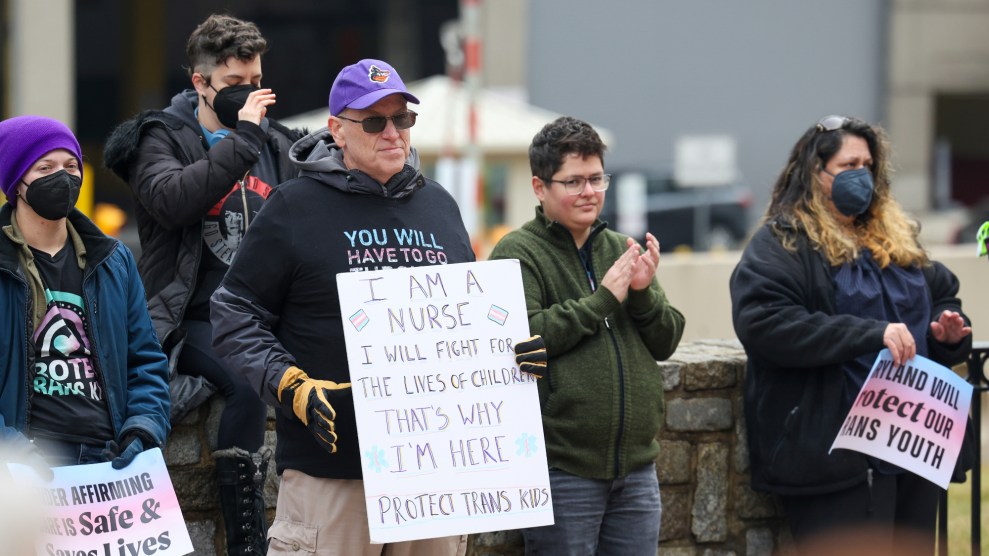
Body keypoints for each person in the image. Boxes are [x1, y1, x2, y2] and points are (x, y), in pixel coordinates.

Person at [209, 58, 474, 555]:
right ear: (338, 130)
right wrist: (287, 382)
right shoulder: (292, 205)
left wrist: (508, 355)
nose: (393, 132)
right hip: (332, 474)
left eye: (403, 119)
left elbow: (467, 321)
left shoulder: (441, 206)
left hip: (434, 475)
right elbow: (232, 313)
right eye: (374, 121)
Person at [103, 14, 303, 554]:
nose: (249, 94)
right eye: (234, 85)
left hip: (265, 313)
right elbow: (171, 202)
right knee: (246, 383)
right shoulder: (158, 137)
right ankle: (245, 537)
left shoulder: (280, 144)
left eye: (255, 81)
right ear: (200, 82)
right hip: (189, 318)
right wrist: (243, 140)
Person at [729, 115, 972, 554]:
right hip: (835, 458)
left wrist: (946, 330)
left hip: (913, 450)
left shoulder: (892, 237)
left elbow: (940, 295)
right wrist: (867, 334)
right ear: (814, 174)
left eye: (867, 164)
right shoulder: (782, 243)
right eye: (847, 165)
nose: (861, 175)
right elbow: (764, 324)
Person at [489, 116, 686, 555]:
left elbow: (667, 339)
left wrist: (640, 295)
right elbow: (523, 339)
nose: (589, 192)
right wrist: (601, 301)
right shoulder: (516, 252)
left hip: (636, 470)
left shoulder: (619, 247)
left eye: (597, 178)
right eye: (573, 181)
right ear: (540, 188)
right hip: (563, 471)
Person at [0, 115, 170, 473]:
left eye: (71, 165)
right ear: (17, 183)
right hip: (27, 464)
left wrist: (141, 430)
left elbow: (145, 360)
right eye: (45, 166)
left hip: (108, 461)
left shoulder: (114, 260)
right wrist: (11, 450)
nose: (63, 177)